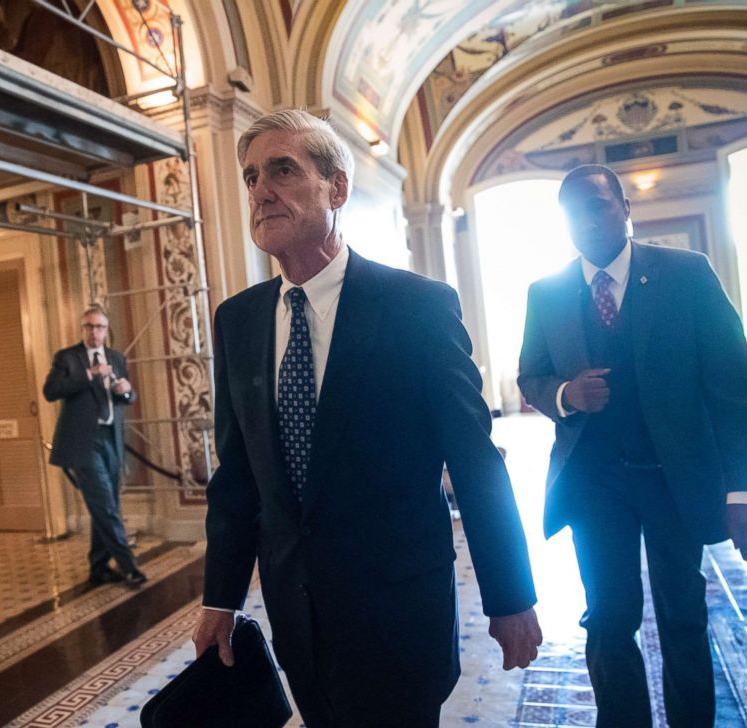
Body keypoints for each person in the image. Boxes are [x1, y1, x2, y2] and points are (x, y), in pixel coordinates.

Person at [192, 109, 542, 727]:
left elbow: (474, 459)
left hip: (398, 611)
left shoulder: (416, 307)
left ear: (337, 187)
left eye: (282, 170)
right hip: (296, 614)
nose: (261, 191)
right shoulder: (238, 321)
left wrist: (510, 595)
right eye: (250, 177)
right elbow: (239, 474)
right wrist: (220, 596)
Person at [518, 164, 747, 727]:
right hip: (594, 484)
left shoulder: (687, 274)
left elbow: (732, 385)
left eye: (598, 206)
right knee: (608, 619)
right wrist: (564, 393)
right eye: (573, 213)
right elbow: (530, 376)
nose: (587, 221)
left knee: (682, 614)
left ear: (625, 209)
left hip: (674, 477)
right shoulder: (548, 292)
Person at [43, 305, 146, 589]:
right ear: (82, 329)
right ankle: (130, 567)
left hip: (110, 440)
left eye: (100, 327)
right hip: (82, 443)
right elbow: (50, 392)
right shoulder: (67, 357)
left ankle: (99, 568)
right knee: (105, 505)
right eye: (89, 326)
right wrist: (89, 374)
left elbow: (128, 397)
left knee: (106, 504)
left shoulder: (116, 358)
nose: (94, 332)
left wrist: (126, 392)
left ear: (106, 330)